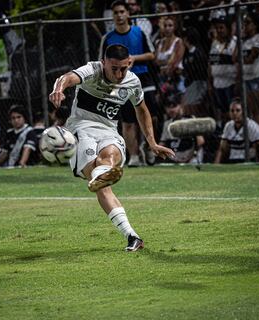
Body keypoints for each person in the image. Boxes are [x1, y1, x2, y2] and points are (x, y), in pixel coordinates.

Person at [49, 44, 174, 251]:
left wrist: (152, 142)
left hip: (108, 131)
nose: (118, 74)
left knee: (110, 156)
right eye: (114, 68)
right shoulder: (93, 70)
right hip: (80, 129)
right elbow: (68, 77)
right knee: (100, 182)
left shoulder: (132, 81)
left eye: (123, 69)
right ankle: (130, 233)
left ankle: (104, 172)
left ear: (129, 63)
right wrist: (58, 89)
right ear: (104, 62)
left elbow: (142, 111)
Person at [99, 0, 159, 167]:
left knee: (151, 116)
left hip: (142, 78)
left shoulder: (139, 32)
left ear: (128, 14)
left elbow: (151, 55)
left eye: (122, 12)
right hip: (120, 82)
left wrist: (133, 58)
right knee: (128, 121)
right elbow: (102, 62)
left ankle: (148, 146)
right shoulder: (108, 38)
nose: (119, 15)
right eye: (116, 13)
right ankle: (133, 156)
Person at [159, 93, 205, 164]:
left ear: (180, 106)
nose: (171, 110)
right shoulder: (167, 124)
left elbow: (200, 142)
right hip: (173, 159)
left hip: (191, 158)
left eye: (174, 106)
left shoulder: (190, 119)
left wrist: (189, 158)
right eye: (168, 107)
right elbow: (162, 143)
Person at [214, 98, 259, 163]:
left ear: (243, 111)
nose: (234, 113)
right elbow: (222, 148)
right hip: (232, 160)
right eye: (232, 111)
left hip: (249, 160)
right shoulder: (228, 125)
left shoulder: (252, 126)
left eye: (238, 110)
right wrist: (216, 164)